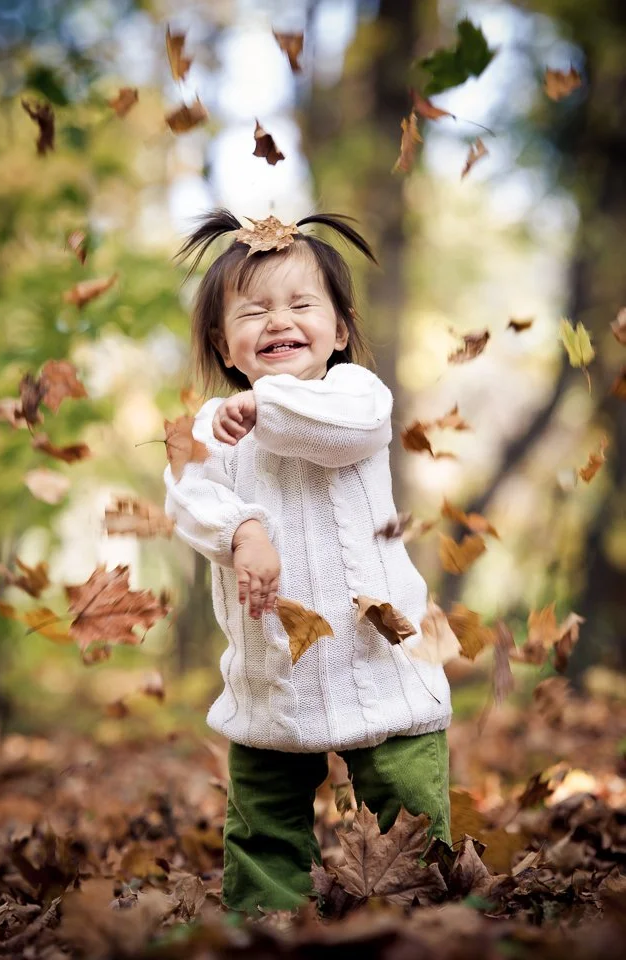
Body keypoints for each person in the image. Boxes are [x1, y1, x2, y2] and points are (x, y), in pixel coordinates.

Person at [163, 208, 453, 916]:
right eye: (253, 310)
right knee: (263, 824)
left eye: (300, 305)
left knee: (407, 809)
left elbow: (339, 432)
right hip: (272, 670)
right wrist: (243, 530)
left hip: (375, 658)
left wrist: (266, 405)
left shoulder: (356, 396)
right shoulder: (209, 425)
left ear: (342, 328)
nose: (278, 321)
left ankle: (436, 915)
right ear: (222, 343)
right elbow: (188, 502)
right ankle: (264, 920)